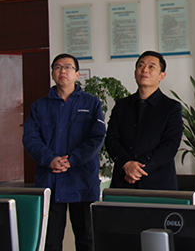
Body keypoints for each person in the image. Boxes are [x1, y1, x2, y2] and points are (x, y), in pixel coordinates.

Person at [22, 53, 105, 251]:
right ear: (52, 73)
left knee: (87, 240)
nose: (63, 71)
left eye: (68, 67)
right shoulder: (39, 106)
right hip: (50, 179)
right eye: (58, 67)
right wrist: (49, 159)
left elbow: (96, 137)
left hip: (82, 180)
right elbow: (30, 138)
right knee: (50, 240)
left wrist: (72, 160)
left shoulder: (91, 103)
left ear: (77, 74)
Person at [105, 50, 183, 189]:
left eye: (151, 66)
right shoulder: (122, 106)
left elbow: (170, 145)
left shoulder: (171, 107)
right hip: (123, 180)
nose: (145, 70)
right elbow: (111, 140)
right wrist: (127, 164)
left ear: (161, 75)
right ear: (135, 72)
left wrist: (138, 168)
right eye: (141, 65)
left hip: (158, 183)